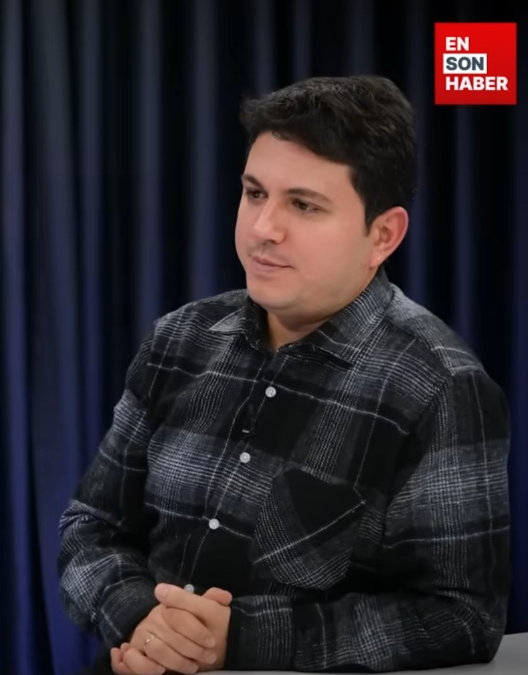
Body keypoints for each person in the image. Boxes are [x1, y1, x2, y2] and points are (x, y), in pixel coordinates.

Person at [58, 75, 511, 675]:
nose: (262, 229)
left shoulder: (439, 386)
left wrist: (242, 640)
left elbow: (461, 616)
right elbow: (90, 528)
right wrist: (143, 620)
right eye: (254, 193)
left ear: (383, 235)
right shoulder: (179, 339)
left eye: (303, 205)